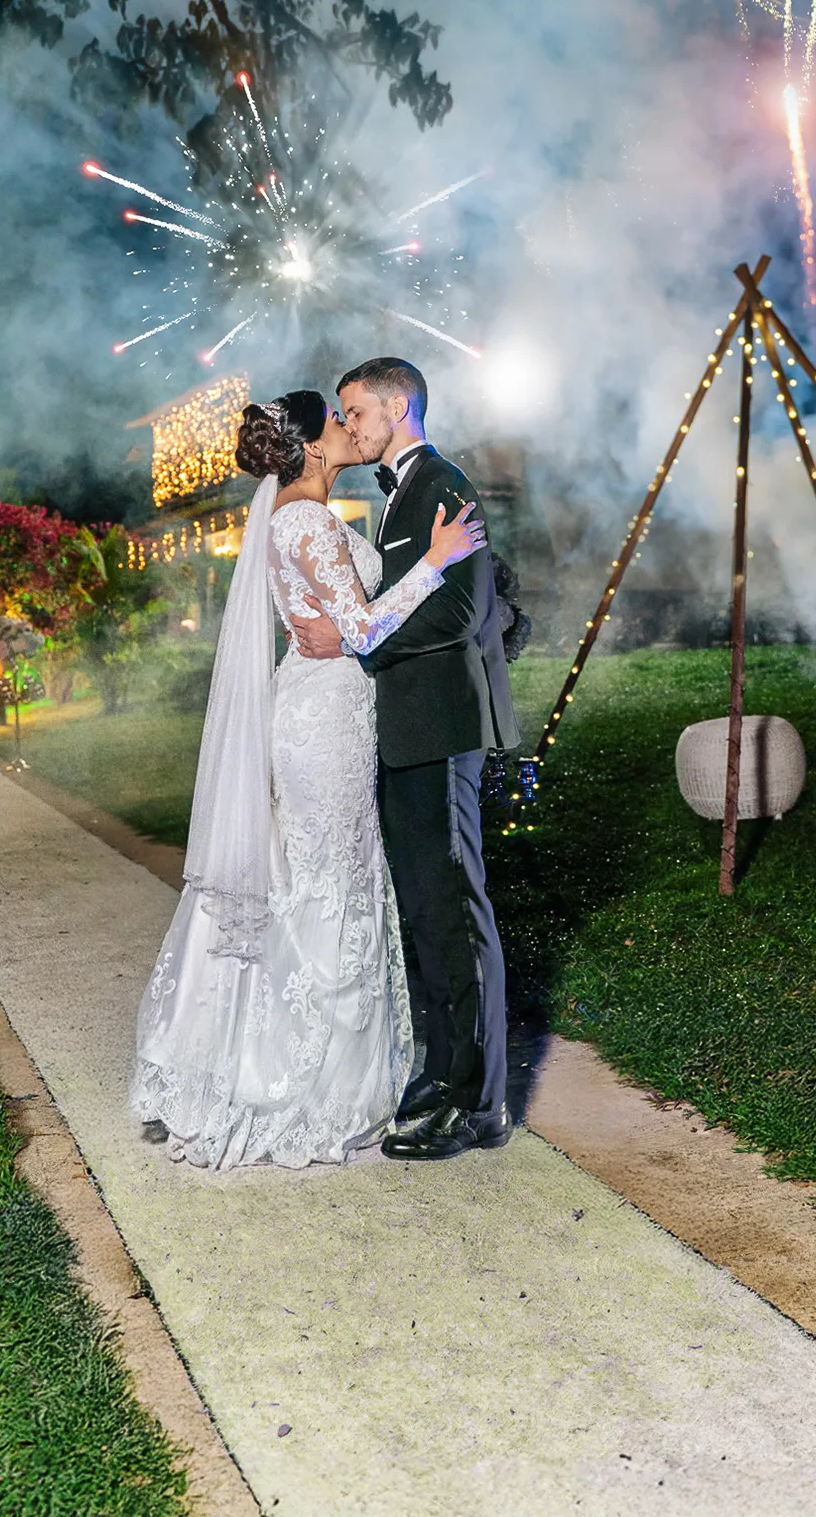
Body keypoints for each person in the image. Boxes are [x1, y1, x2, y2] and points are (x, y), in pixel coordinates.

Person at [130, 389, 485, 1170]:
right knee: (326, 881)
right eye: (336, 420)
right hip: (324, 723)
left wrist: (350, 622)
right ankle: (303, 1084)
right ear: (313, 446)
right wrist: (434, 562)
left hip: (324, 709)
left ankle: (275, 1065)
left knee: (319, 877)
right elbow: (359, 628)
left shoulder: (295, 517)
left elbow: (342, 622)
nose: (349, 427)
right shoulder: (308, 522)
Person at [290, 357, 520, 1161]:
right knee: (424, 908)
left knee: (454, 909)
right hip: (406, 729)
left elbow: (457, 612)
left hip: (441, 726)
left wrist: (356, 645)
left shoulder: (441, 483)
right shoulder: (400, 491)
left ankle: (479, 1104)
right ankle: (443, 1073)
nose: (348, 425)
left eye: (356, 411)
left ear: (399, 407)